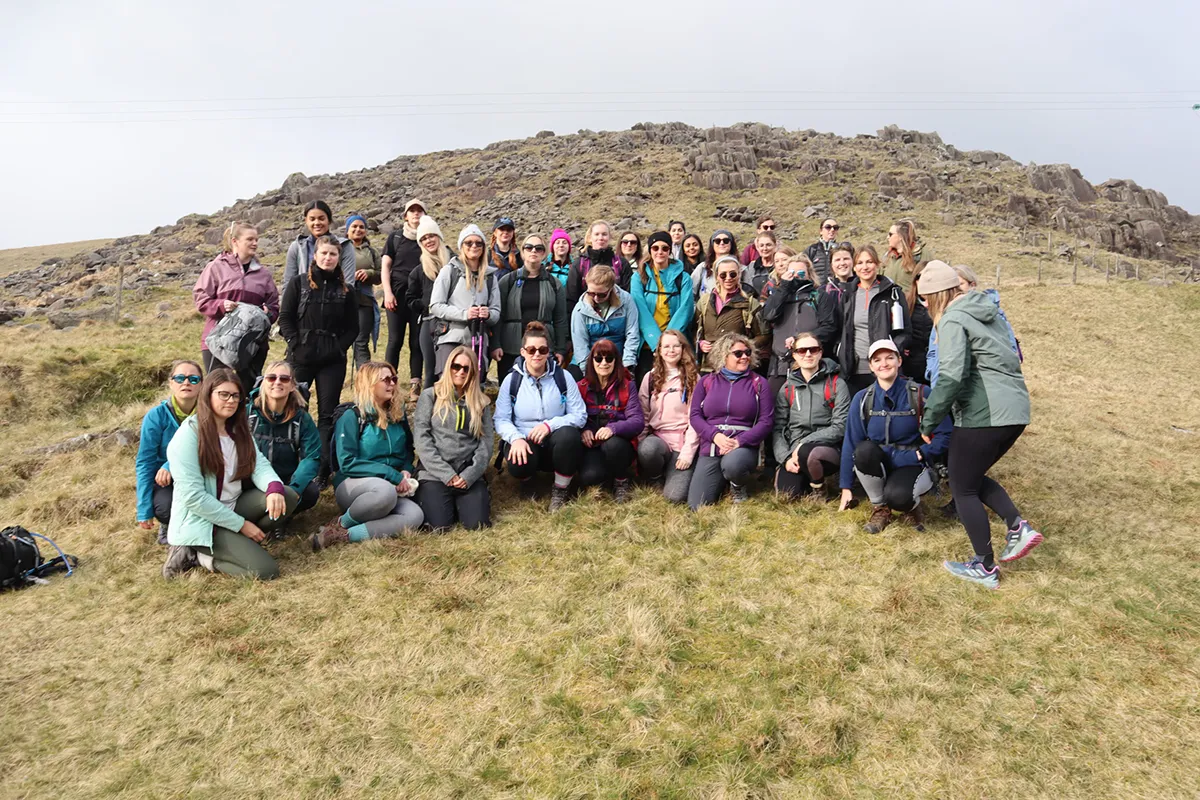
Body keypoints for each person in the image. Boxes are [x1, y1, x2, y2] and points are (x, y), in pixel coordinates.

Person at [917, 263, 1040, 588]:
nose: (925, 306)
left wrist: (929, 418)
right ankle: (1016, 527)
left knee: (963, 486)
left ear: (937, 295)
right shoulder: (988, 312)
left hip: (985, 412)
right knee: (968, 476)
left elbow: (952, 374)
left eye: (926, 299)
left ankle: (985, 567)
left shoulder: (954, 317)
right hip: (1015, 410)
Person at [160, 369, 299, 580]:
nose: (230, 401)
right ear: (208, 395)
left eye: (235, 396)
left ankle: (235, 542)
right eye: (223, 394)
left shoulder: (237, 429)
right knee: (266, 571)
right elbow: (193, 498)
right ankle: (197, 555)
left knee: (286, 497)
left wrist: (274, 488)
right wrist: (242, 525)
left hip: (233, 506)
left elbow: (258, 464)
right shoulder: (188, 435)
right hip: (203, 521)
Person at [838, 339, 951, 534]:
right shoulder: (862, 398)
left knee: (898, 497)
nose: (884, 364)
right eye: (877, 360)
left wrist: (921, 453)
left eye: (890, 357)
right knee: (863, 450)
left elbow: (945, 434)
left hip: (913, 463)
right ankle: (880, 508)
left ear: (899, 361)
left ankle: (910, 506)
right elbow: (851, 443)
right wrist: (846, 487)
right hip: (880, 462)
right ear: (871, 366)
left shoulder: (922, 393)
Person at [311, 361, 424, 549]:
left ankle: (343, 535)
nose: (392, 384)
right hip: (354, 484)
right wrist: (391, 475)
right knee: (384, 493)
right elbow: (347, 463)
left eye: (394, 379)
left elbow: (407, 450)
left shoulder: (397, 414)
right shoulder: (352, 416)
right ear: (369, 384)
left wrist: (405, 470)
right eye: (386, 380)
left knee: (415, 516)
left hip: (392, 485)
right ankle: (341, 522)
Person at [277, 233, 359, 480]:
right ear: (315, 255)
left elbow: (353, 328)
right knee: (291, 407)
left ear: (339, 257)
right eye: (324, 253)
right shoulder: (299, 283)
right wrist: (294, 342)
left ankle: (322, 470)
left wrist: (338, 348)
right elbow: (285, 317)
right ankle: (286, 464)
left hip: (331, 360)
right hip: (300, 356)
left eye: (333, 254)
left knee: (327, 413)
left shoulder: (346, 291)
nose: (328, 257)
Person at [495, 322, 587, 511]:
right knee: (517, 462)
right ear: (522, 352)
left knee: (569, 436)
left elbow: (580, 414)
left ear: (548, 352)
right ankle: (528, 481)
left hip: (555, 442)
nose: (537, 354)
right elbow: (501, 419)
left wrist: (550, 425)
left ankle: (560, 488)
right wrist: (516, 439)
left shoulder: (564, 377)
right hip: (525, 440)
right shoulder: (511, 380)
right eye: (531, 350)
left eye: (542, 349)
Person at [687, 333, 774, 509]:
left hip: (742, 444)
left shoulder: (759, 383)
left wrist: (740, 441)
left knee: (733, 464)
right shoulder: (706, 381)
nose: (744, 357)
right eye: (738, 354)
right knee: (697, 504)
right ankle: (723, 480)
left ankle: (737, 485)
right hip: (712, 445)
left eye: (747, 352)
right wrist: (714, 436)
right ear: (723, 356)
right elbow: (695, 415)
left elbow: (766, 421)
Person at [412, 345, 494, 531]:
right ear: (448, 367)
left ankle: (468, 501)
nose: (461, 372)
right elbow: (422, 439)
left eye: (467, 368)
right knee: (438, 527)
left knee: (477, 525)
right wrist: (447, 475)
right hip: (435, 474)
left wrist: (470, 475)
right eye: (456, 366)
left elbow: (486, 442)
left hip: (467, 472)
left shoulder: (481, 401)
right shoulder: (430, 396)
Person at [193, 221, 279, 390]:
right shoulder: (215, 267)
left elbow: (274, 306)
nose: (255, 243)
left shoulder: (264, 274)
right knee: (217, 390)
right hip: (217, 341)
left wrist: (266, 313)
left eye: (256, 239)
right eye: (249, 239)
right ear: (235, 241)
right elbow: (201, 299)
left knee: (247, 391)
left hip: (252, 343)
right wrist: (221, 305)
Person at [771, 333, 850, 500]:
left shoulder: (837, 384)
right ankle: (805, 479)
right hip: (793, 453)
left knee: (809, 453)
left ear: (820, 353)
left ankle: (820, 490)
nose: (808, 354)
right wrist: (785, 458)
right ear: (794, 356)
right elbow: (778, 428)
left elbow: (840, 426)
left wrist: (803, 443)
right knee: (788, 495)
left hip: (826, 450)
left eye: (813, 350)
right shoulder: (787, 388)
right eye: (802, 350)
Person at [136, 359, 203, 544]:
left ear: (202, 384)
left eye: (193, 379)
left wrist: (170, 464)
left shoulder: (209, 413)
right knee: (165, 508)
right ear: (171, 383)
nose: (186, 383)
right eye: (180, 378)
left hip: (201, 474)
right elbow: (145, 461)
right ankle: (168, 525)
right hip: (167, 481)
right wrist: (144, 508)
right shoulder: (156, 416)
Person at [925, 264, 1021, 386]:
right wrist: (932, 372)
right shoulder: (941, 316)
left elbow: (1009, 348)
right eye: (953, 286)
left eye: (960, 284)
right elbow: (933, 350)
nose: (957, 290)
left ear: (972, 285)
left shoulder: (991, 314)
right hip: (944, 383)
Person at [246, 360, 322, 513]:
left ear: (292, 385)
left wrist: (294, 489)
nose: (277, 382)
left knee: (310, 492)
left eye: (284, 379)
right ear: (263, 382)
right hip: (251, 479)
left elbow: (311, 457)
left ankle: (282, 515)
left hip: (286, 481)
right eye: (272, 378)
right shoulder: (247, 414)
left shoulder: (302, 419)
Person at [760, 252, 840, 396]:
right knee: (777, 410)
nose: (796, 276)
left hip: (811, 363)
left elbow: (830, 327)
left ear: (809, 274)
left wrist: (800, 341)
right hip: (780, 367)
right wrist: (783, 287)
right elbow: (769, 315)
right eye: (791, 272)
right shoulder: (779, 296)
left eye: (801, 272)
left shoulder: (820, 297)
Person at [575, 339, 644, 502]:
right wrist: (583, 429)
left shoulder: (628, 386)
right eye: (598, 359)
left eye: (609, 358)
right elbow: (574, 415)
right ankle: (604, 476)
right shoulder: (581, 387)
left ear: (616, 361)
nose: (604, 363)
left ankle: (621, 481)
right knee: (590, 477)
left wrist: (613, 429)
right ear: (592, 361)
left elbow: (637, 421)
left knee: (613, 446)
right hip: (592, 445)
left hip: (619, 445)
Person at [429, 224, 500, 378]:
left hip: (479, 340)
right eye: (469, 243)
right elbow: (435, 306)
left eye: (478, 243)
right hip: (451, 338)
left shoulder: (490, 277)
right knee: (449, 383)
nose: (474, 246)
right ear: (461, 246)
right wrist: (464, 314)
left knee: (475, 383)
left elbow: (496, 311)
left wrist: (488, 315)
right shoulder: (449, 271)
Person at [838, 245, 911, 397]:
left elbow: (905, 332)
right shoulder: (848, 294)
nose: (864, 267)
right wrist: (840, 351)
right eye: (860, 263)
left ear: (877, 264)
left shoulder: (893, 293)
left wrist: (890, 354)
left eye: (869, 262)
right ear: (854, 267)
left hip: (884, 369)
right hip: (854, 371)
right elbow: (839, 329)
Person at [637, 329, 699, 504]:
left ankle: (674, 473)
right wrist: (640, 448)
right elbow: (644, 413)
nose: (671, 350)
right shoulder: (650, 378)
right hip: (659, 441)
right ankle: (655, 475)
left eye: (675, 346)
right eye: (666, 346)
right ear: (659, 350)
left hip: (683, 442)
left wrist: (687, 454)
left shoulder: (694, 378)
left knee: (675, 496)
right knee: (648, 449)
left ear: (683, 348)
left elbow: (696, 419)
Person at [495, 233, 568, 380]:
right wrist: (495, 344)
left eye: (539, 248)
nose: (533, 251)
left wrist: (560, 349)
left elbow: (560, 319)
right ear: (522, 252)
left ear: (545, 253)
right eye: (529, 247)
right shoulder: (507, 281)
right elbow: (499, 316)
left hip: (542, 350)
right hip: (511, 347)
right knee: (510, 391)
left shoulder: (554, 284)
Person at [631, 231, 695, 380]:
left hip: (676, 346)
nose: (660, 252)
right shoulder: (638, 277)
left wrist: (669, 342)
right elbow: (640, 310)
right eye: (655, 248)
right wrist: (657, 344)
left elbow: (686, 309)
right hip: (648, 346)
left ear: (670, 250)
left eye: (665, 248)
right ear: (650, 250)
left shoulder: (683, 277)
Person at [381, 199, 427, 399]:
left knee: (417, 342)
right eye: (412, 211)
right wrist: (387, 293)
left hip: (418, 297)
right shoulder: (395, 237)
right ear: (405, 216)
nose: (416, 214)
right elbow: (385, 267)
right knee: (394, 341)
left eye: (419, 211)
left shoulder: (428, 238)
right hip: (396, 296)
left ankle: (415, 385)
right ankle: (388, 382)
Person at [695, 255, 766, 374]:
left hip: (738, 369)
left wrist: (743, 348)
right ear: (716, 276)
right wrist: (700, 343)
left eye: (733, 274)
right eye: (723, 275)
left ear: (739, 275)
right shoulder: (704, 302)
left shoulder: (751, 304)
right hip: (708, 368)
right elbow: (693, 330)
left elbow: (764, 335)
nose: (728, 278)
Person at [405, 215, 453, 390]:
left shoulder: (455, 262)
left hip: (454, 322)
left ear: (438, 236)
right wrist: (425, 306)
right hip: (429, 322)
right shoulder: (418, 271)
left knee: (450, 368)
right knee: (431, 371)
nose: (428, 241)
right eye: (423, 238)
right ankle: (427, 410)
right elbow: (410, 298)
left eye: (431, 236)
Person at [570, 264, 640, 377]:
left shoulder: (626, 301)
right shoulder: (580, 309)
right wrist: (587, 372)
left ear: (611, 288)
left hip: (618, 356)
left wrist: (628, 364)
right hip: (591, 358)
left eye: (601, 295)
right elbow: (580, 345)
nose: (596, 298)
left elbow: (632, 333)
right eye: (591, 293)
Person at [283, 200, 356, 288]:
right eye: (312, 219)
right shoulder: (296, 247)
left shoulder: (345, 246)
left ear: (329, 220)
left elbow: (348, 284)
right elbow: (288, 284)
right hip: (303, 299)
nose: (317, 223)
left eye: (321, 219)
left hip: (336, 299)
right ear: (306, 221)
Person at [346, 214, 381, 370]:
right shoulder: (339, 248)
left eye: (361, 227)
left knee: (361, 341)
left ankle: (365, 378)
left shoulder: (372, 252)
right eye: (354, 226)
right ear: (347, 230)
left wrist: (369, 273)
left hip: (364, 300)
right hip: (343, 299)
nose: (358, 229)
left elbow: (382, 274)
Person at [566, 220, 627, 307]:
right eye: (597, 234)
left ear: (610, 237)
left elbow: (628, 295)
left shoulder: (621, 264)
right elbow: (571, 299)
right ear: (590, 237)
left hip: (617, 314)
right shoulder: (579, 264)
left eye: (604, 234)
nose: (601, 238)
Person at [883, 219, 933, 293]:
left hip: (913, 303)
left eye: (890, 234)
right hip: (891, 302)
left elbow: (930, 281)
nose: (887, 237)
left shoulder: (921, 254)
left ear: (900, 236)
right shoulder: (888, 256)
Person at [904, 261, 934, 383]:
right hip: (912, 366)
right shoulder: (906, 302)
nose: (924, 282)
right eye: (920, 277)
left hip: (936, 365)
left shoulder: (944, 304)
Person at [694, 229, 739, 301]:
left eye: (726, 240)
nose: (722, 243)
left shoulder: (743, 269)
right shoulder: (703, 268)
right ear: (712, 245)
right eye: (717, 241)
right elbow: (690, 292)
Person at [804, 218, 845, 286]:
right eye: (828, 227)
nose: (832, 230)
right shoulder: (812, 250)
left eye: (835, 228)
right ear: (821, 231)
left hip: (837, 291)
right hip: (816, 291)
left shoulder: (841, 250)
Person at [741, 230, 778, 297]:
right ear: (757, 248)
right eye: (761, 245)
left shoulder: (780, 266)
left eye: (768, 245)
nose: (765, 248)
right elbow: (747, 290)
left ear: (775, 246)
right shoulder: (751, 267)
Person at [823, 242, 857, 308]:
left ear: (853, 261)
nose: (842, 263)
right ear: (831, 265)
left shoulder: (863, 287)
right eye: (837, 260)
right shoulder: (824, 291)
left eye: (846, 259)